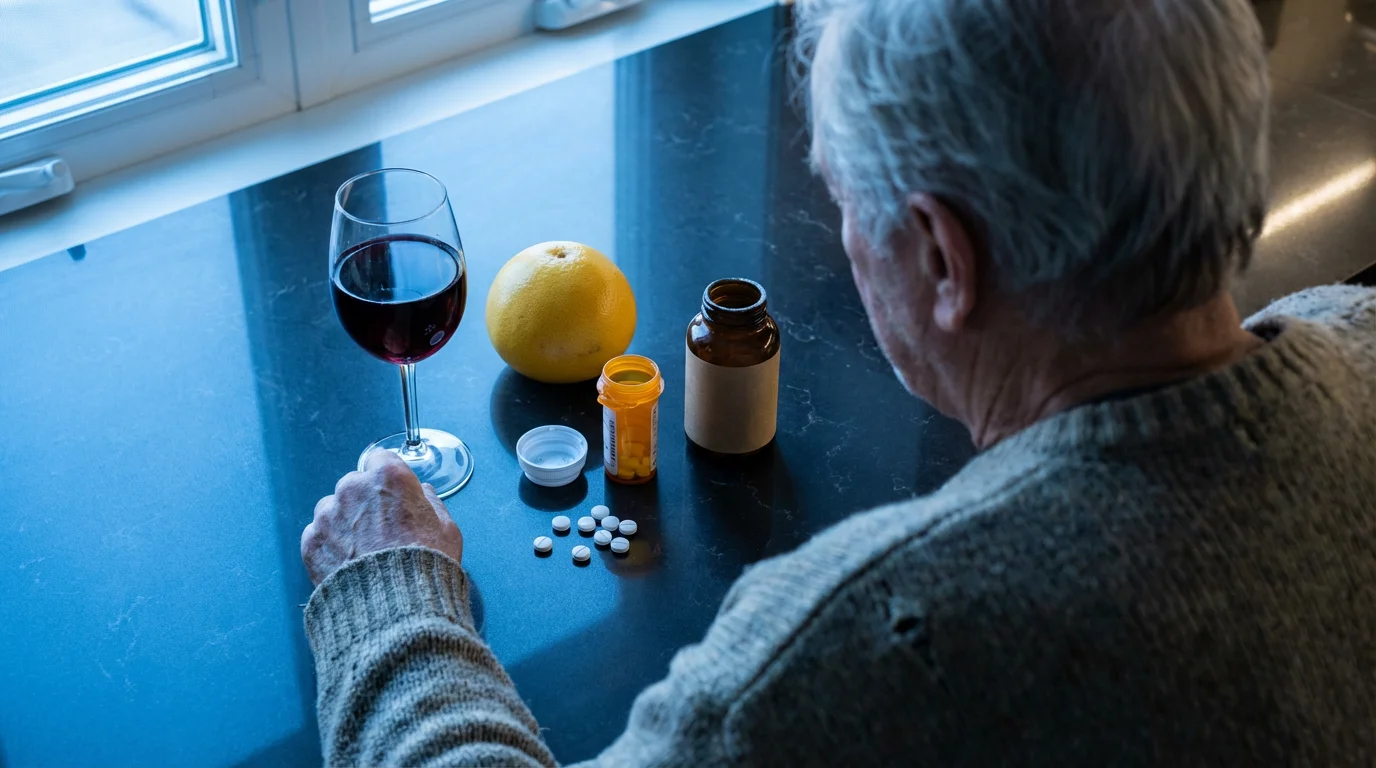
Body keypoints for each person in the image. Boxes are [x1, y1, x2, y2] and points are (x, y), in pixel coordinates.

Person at [300, 0, 1376, 764]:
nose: (842, 242)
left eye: (842, 203)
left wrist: (390, 600)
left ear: (944, 262)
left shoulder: (856, 651)